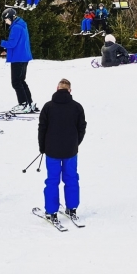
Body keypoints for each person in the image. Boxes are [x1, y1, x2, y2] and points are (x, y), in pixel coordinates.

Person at [38, 78, 87, 227]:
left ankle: (51, 211)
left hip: (52, 151)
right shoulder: (77, 107)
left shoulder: (48, 107)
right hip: (70, 151)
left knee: (52, 180)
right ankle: (72, 208)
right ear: (70, 90)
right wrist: (75, 143)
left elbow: (42, 129)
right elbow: (81, 128)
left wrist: (42, 147)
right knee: (71, 178)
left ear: (57, 88)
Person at [0, 8, 36, 113]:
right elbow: (19, 44)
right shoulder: (22, 25)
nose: (6, 22)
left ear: (10, 17)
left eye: (6, 20)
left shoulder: (16, 28)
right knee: (21, 81)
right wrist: (7, 51)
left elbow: (12, 44)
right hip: (23, 56)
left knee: (16, 82)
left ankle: (23, 104)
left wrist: (0, 42)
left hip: (18, 59)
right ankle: (29, 102)